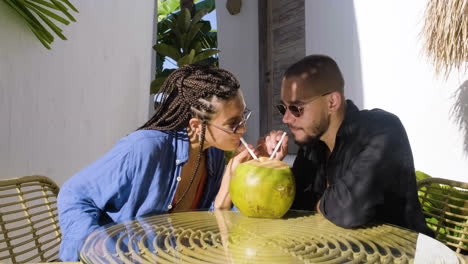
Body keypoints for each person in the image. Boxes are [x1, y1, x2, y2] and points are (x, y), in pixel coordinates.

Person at [57, 64, 255, 261]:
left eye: (244, 116)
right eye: (233, 123)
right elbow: (73, 195)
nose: (243, 129)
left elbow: (206, 225)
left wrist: (243, 179)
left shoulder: (213, 155)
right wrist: (99, 249)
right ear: (197, 126)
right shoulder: (144, 148)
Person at [261, 55, 433, 236]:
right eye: (283, 108)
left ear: (331, 102)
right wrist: (273, 167)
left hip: (402, 252)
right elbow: (294, 203)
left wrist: (319, 202)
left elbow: (348, 210)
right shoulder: (313, 145)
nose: (285, 118)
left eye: (296, 108)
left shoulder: (382, 129)